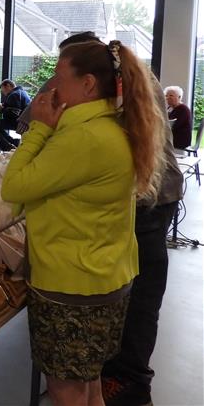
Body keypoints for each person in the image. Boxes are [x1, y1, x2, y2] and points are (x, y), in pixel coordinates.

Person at [16, 31, 185, 406]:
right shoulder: (123, 98)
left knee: (72, 381)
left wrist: (43, 128)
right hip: (123, 242)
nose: (54, 84)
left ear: (87, 81)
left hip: (77, 275)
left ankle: (127, 382)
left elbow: (16, 183)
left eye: (60, 75)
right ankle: (120, 380)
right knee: (105, 350)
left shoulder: (89, 133)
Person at [0, 79, 31, 150]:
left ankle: (7, 147)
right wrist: (4, 105)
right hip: (26, 122)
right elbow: (14, 107)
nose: (4, 93)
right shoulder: (22, 92)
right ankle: (13, 142)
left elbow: (14, 113)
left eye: (3, 90)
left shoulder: (14, 95)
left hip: (19, 123)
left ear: (8, 86)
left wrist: (2, 109)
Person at [164, 85, 192, 149]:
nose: (167, 98)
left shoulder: (183, 109)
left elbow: (174, 126)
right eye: (166, 96)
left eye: (171, 95)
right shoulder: (171, 108)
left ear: (179, 97)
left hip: (180, 139)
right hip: (173, 137)